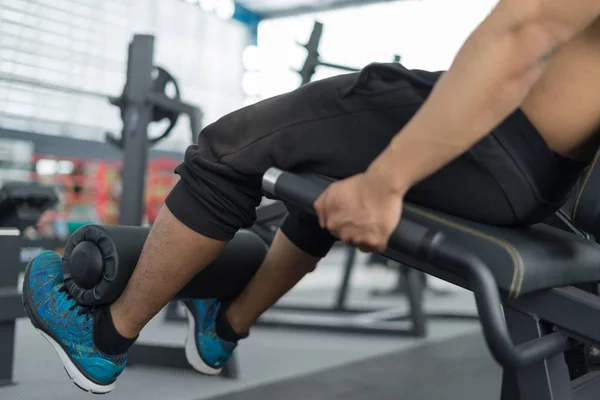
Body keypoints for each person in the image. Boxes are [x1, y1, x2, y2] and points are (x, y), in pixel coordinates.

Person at [22, 0, 600, 394]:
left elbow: (525, 27)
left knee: (226, 151)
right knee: (328, 170)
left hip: (500, 134)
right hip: (545, 175)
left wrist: (387, 180)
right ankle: (225, 325)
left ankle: (102, 336)